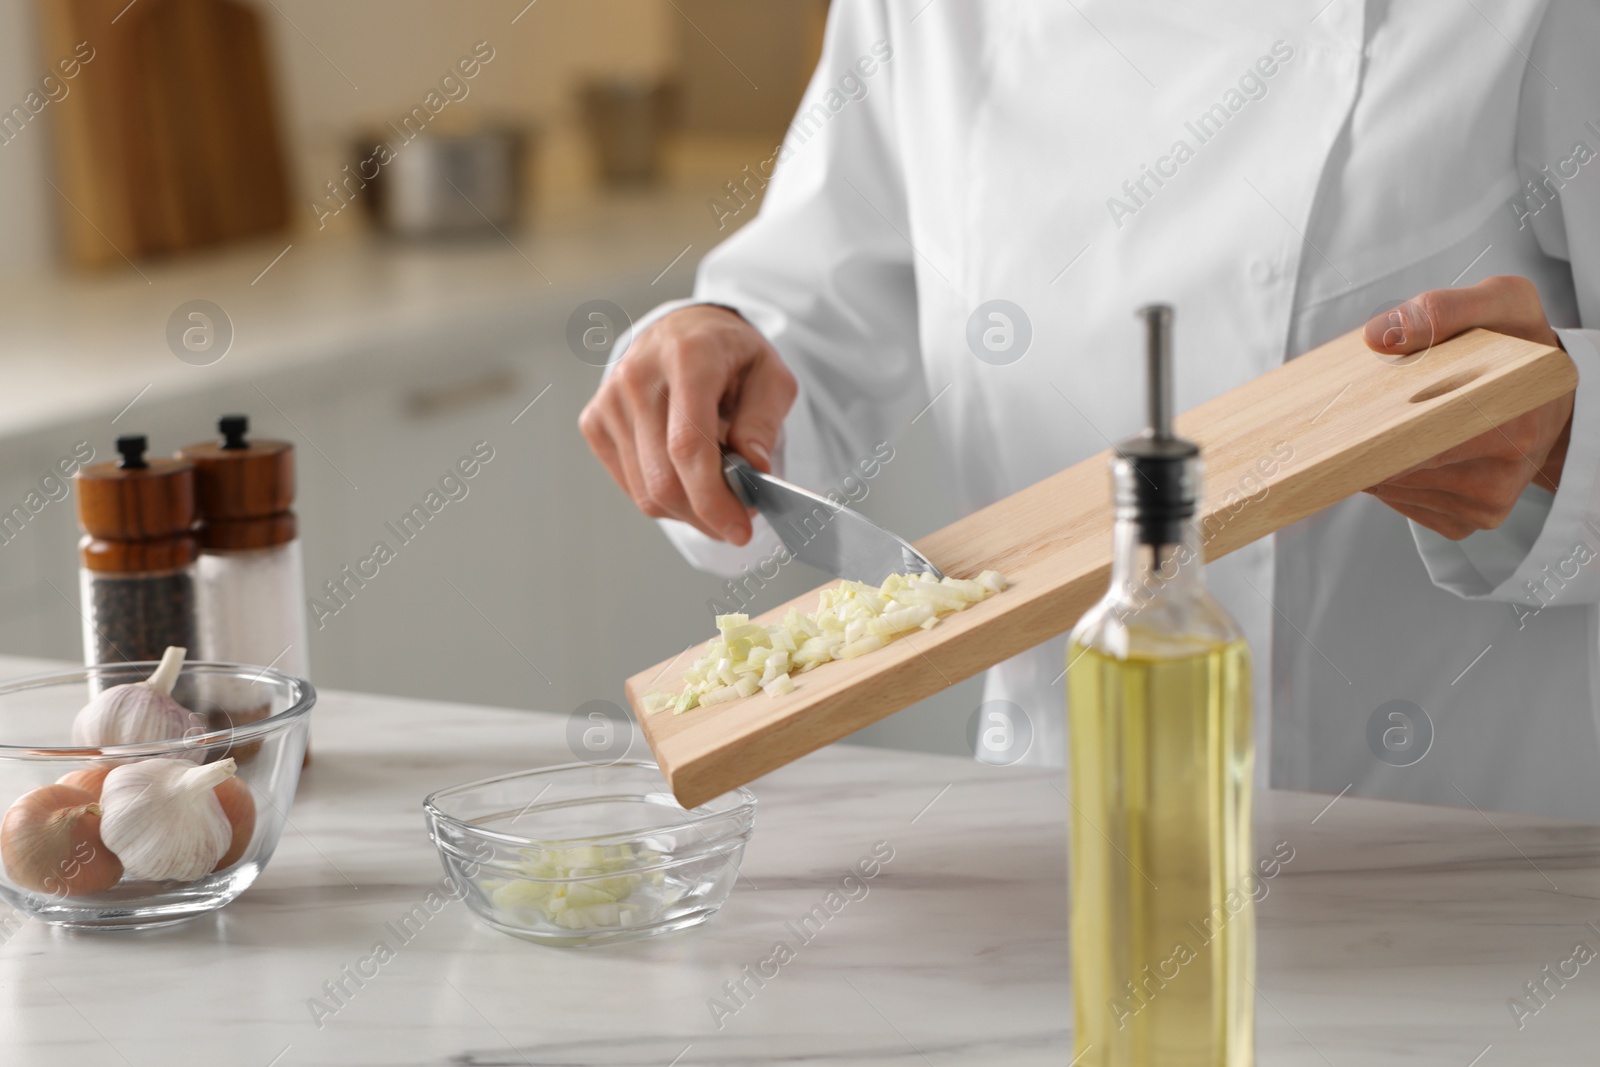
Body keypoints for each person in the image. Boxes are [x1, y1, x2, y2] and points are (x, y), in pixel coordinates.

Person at [581, 0, 1600, 819]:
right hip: (1058, 840)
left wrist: (1561, 440)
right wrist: (709, 365)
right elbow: (805, 319)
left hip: (1455, 840)